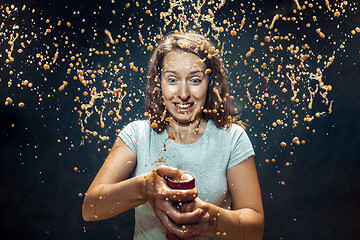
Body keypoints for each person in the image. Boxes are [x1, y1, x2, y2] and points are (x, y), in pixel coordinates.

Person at [82, 31, 264, 240]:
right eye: (172, 79)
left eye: (195, 80)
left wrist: (207, 218)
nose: (184, 93)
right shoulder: (138, 135)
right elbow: (90, 208)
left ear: (210, 82)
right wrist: (144, 188)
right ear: (158, 82)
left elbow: (255, 230)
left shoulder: (232, 138)